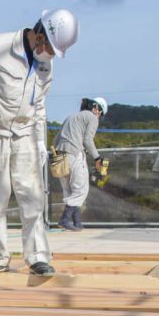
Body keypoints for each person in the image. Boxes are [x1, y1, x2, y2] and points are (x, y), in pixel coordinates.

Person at [0, 8, 79, 278]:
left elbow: (40, 105)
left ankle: (37, 256)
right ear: (40, 35)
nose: (50, 55)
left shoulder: (46, 63)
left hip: (24, 132)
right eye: (50, 48)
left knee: (32, 195)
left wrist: (40, 141)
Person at [54, 97, 107, 231]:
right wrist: (97, 158)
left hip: (60, 155)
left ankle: (77, 223)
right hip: (74, 154)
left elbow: (56, 138)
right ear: (96, 108)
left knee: (69, 190)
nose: (99, 115)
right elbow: (88, 140)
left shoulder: (71, 117)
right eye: (101, 112)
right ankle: (65, 219)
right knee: (81, 190)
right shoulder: (92, 117)